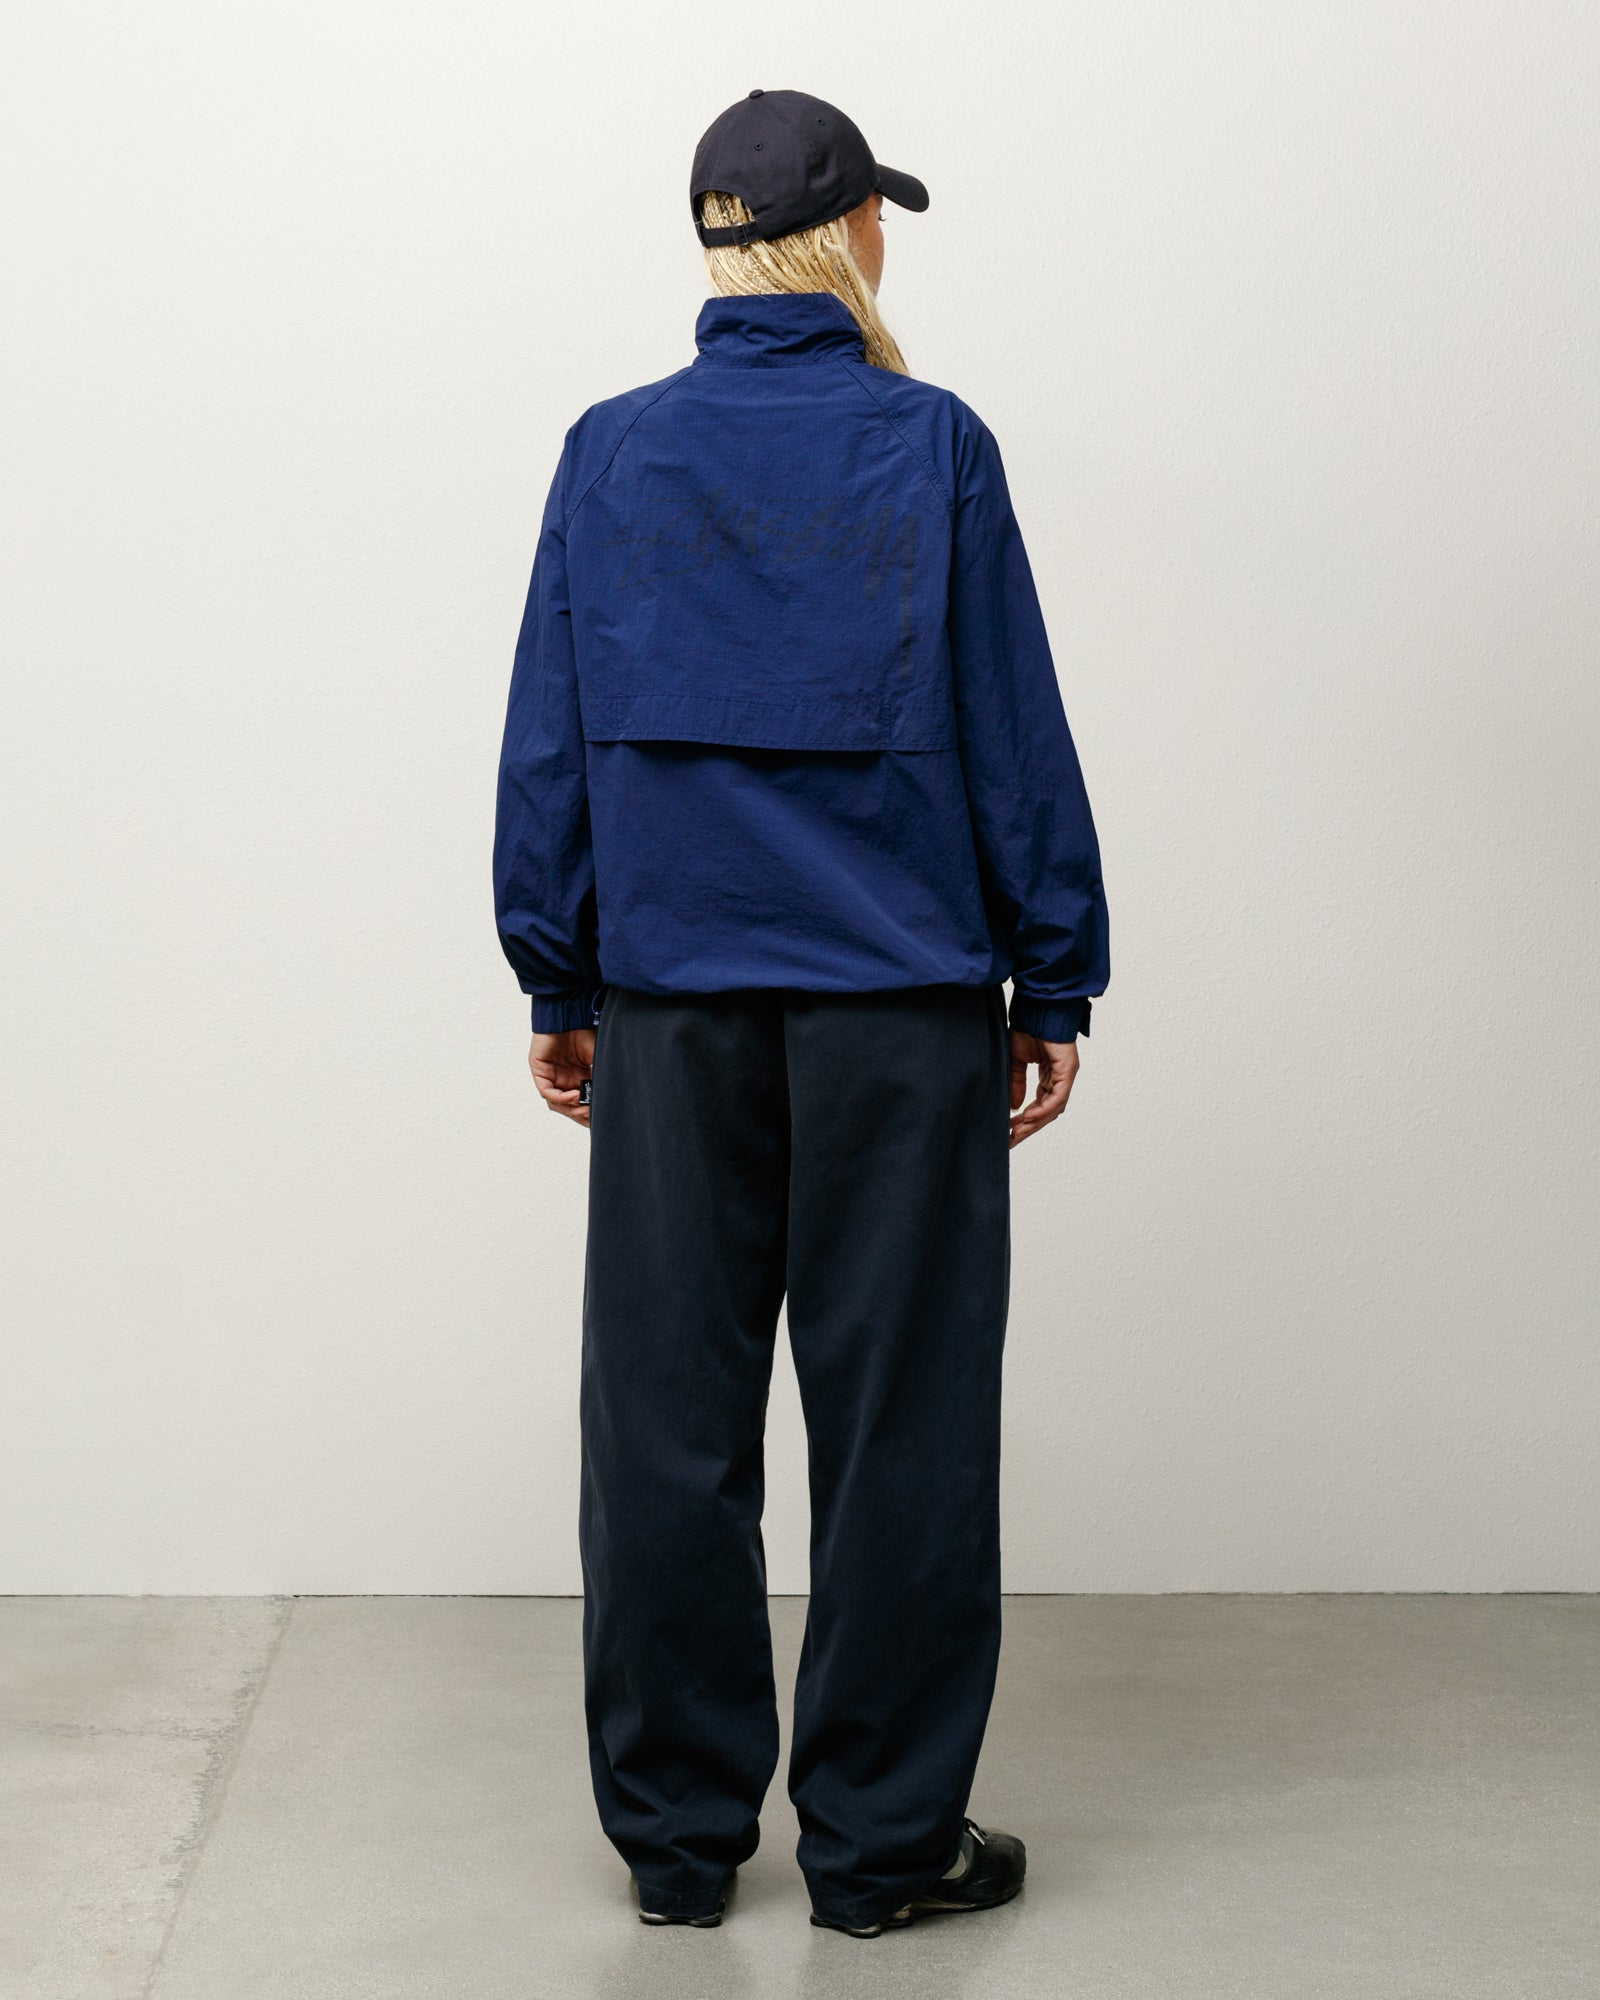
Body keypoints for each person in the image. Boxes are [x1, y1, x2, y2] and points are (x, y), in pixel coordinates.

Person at [492, 88, 1109, 1941]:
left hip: (673, 1011)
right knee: (902, 1426)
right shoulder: (932, 445)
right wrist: (1054, 969)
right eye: (881, 220)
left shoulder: (611, 451)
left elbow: (549, 737)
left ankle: (678, 1846)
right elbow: (1009, 722)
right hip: (899, 1016)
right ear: (846, 237)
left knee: (664, 1427)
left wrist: (557, 967)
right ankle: (882, 1847)